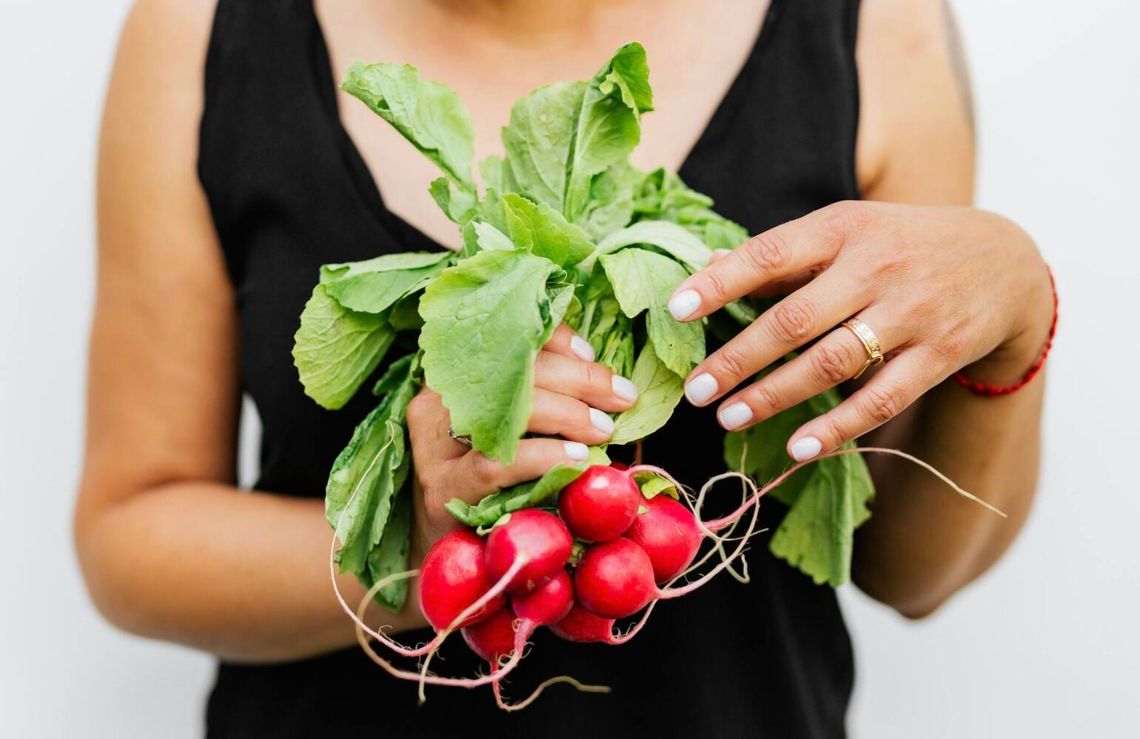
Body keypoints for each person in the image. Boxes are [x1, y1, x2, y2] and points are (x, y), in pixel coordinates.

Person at [74, 0, 1053, 736]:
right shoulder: (198, 29)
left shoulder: (882, 28)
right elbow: (131, 537)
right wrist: (417, 549)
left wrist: (1018, 317)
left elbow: (912, 571)